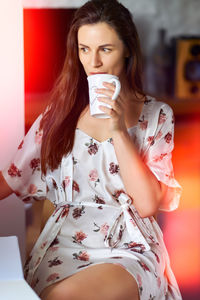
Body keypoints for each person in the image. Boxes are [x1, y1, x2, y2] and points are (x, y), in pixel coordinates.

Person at [0, 0, 182, 299]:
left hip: (128, 247)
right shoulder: (58, 114)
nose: (93, 63)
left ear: (127, 50)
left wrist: (118, 131)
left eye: (105, 49)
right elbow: (10, 179)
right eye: (84, 49)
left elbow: (148, 204)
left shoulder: (156, 115)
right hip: (63, 246)